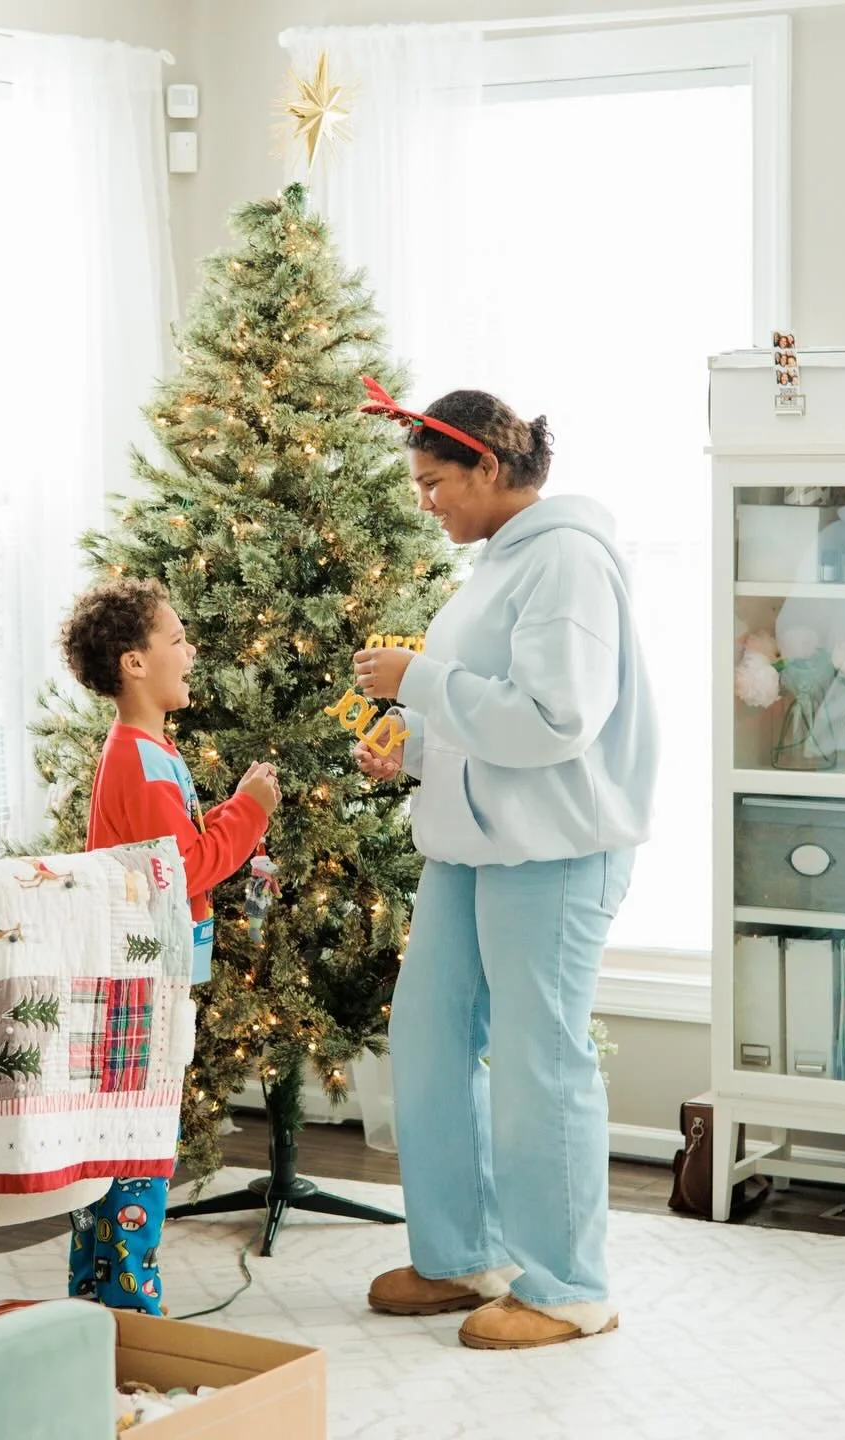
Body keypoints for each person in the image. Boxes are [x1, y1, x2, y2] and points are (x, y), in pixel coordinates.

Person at [352, 385, 658, 1351]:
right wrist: (407, 746)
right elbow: (487, 713)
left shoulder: (565, 560)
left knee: (539, 1058)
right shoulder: (500, 564)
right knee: (429, 1036)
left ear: (489, 464)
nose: (424, 501)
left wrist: (422, 682)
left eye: (435, 482)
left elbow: (558, 719)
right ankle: (463, 1253)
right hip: (472, 844)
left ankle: (568, 1288)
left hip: (555, 849)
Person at [57, 577, 281, 1312]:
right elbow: (183, 868)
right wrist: (249, 813)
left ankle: (99, 1297)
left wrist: (225, 808)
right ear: (134, 664)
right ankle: (131, 1305)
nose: (192, 650)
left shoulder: (146, 750)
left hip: (139, 971)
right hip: (142, 980)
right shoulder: (142, 759)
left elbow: (165, 848)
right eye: (177, 639)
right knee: (139, 1144)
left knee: (119, 1142)